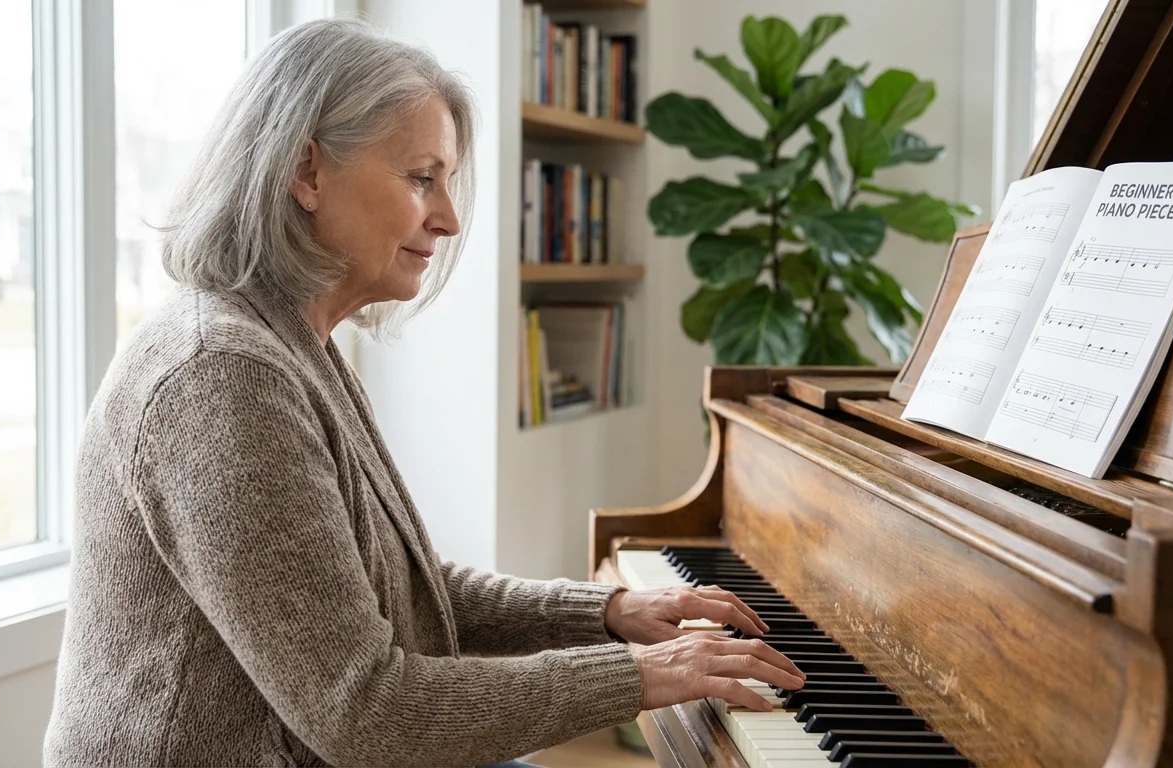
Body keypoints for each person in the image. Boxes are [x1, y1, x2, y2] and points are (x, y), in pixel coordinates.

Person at [43, 17, 803, 768]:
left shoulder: (293, 346)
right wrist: (640, 676)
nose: (448, 218)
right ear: (306, 173)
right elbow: (365, 713)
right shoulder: (222, 376)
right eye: (420, 178)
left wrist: (608, 612)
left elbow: (407, 594)